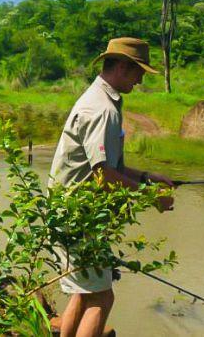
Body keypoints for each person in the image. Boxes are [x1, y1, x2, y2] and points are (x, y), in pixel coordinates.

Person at [49, 37, 176, 337]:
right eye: (139, 72)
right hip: (78, 218)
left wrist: (147, 176)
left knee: (82, 292)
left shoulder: (99, 99)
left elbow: (108, 166)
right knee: (102, 297)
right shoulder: (102, 109)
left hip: (70, 213)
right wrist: (151, 198)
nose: (142, 79)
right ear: (121, 67)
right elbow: (102, 177)